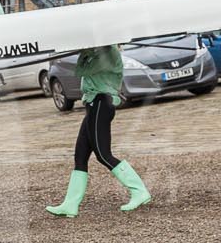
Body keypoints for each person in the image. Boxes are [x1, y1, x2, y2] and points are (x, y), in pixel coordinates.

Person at [44, 45, 152, 216]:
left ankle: (139, 191)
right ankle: (70, 204)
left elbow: (81, 70)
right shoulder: (98, 51)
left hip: (101, 103)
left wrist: (85, 51)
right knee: (80, 155)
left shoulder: (108, 53)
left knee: (103, 154)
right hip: (93, 103)